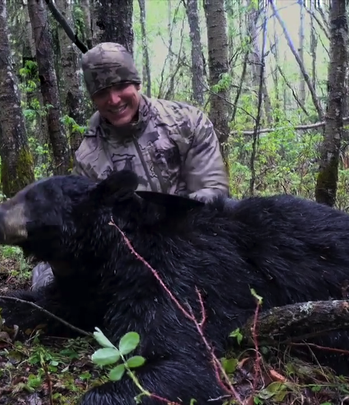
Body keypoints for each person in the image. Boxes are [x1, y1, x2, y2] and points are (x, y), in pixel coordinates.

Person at [31, 42, 230, 290]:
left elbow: (214, 196)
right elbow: (87, 225)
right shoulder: (88, 156)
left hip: (193, 241)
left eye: (120, 86)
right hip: (131, 258)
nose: (113, 100)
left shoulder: (187, 123)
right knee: (46, 275)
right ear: (93, 97)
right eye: (102, 92)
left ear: (136, 83)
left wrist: (163, 227)